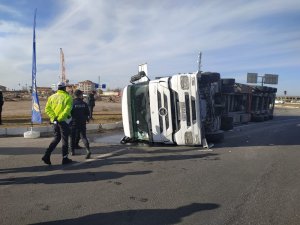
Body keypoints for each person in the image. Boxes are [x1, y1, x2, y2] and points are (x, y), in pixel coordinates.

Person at [42, 82, 73, 165]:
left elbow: (47, 109)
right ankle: (65, 158)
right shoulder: (68, 97)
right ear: (64, 88)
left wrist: (54, 118)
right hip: (63, 122)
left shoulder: (51, 97)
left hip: (55, 121)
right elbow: (67, 110)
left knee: (56, 138)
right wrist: (59, 118)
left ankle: (46, 155)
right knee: (64, 140)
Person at [70, 89, 91, 159]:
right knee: (83, 137)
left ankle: (72, 151)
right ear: (80, 95)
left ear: (74, 95)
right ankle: (88, 150)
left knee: (72, 137)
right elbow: (88, 113)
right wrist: (87, 119)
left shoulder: (72, 103)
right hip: (82, 122)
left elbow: (69, 113)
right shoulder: (84, 103)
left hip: (74, 122)